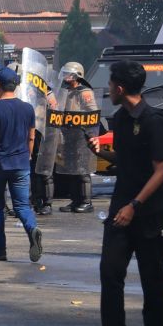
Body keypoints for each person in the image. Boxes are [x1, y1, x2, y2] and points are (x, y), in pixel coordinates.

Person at [87, 59, 163, 326]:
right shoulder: (120, 119)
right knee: (110, 271)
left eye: (110, 84)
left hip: (148, 212)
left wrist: (134, 205)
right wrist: (101, 152)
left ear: (120, 88)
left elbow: (160, 171)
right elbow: (124, 160)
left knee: (152, 277)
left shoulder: (154, 121)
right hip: (120, 210)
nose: (108, 89)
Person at [0, 67, 42, 263]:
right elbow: (31, 136)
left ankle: (0, 250)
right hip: (21, 163)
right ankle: (32, 229)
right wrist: (28, 155)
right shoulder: (28, 108)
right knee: (23, 205)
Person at [49, 62, 98, 214]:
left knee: (82, 169)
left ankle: (86, 201)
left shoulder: (85, 92)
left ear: (78, 76)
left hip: (81, 134)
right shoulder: (64, 91)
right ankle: (75, 200)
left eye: (69, 74)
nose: (65, 77)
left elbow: (93, 113)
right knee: (71, 169)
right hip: (67, 134)